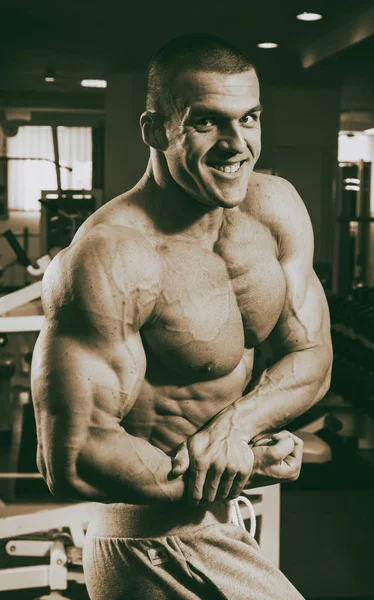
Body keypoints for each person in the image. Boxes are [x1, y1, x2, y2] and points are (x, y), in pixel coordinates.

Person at [31, 33, 332, 600]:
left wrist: (237, 430)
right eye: (206, 123)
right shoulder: (113, 253)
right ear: (155, 131)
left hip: (221, 523)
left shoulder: (274, 209)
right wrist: (243, 464)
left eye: (250, 118)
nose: (235, 144)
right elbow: (72, 457)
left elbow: (310, 353)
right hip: (148, 542)